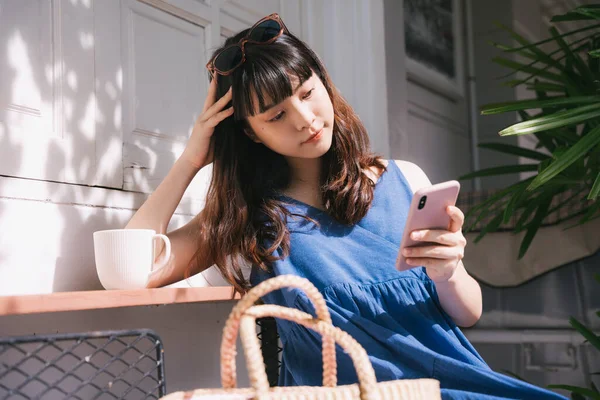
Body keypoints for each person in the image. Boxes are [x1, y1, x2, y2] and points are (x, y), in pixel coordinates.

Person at [125, 13, 567, 400]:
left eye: (307, 92)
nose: (305, 118)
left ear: (323, 81)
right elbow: (131, 271)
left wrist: (449, 271)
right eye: (276, 115)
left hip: (460, 386)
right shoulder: (252, 220)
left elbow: (467, 314)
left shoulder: (404, 179)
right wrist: (191, 159)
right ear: (251, 133)